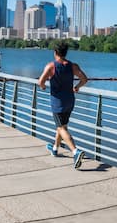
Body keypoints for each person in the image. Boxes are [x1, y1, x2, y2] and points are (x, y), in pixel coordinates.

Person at [37, 41, 88, 169]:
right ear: (65, 53)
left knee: (61, 128)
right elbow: (84, 79)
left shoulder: (51, 66)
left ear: (55, 53)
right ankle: (55, 149)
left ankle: (75, 151)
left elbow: (41, 82)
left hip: (57, 102)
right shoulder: (73, 66)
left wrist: (43, 87)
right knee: (61, 126)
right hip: (70, 101)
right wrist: (77, 87)